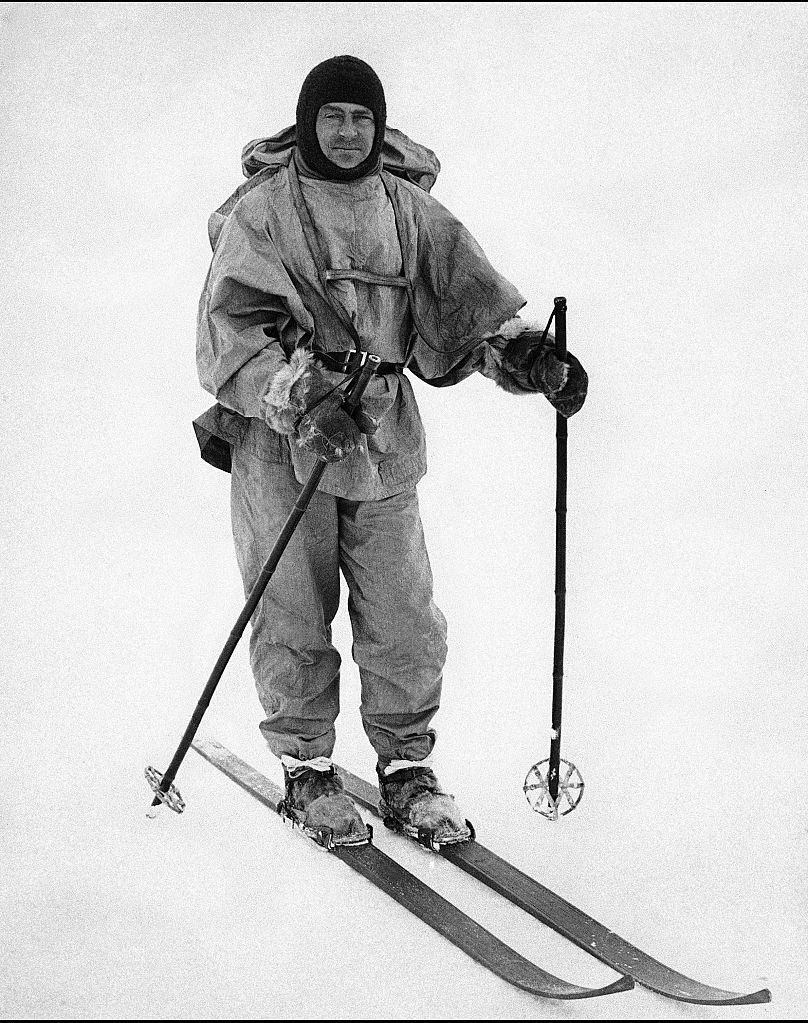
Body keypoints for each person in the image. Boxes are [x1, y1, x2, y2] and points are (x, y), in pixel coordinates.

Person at [194, 55, 587, 848]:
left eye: (361, 118)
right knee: (292, 606)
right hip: (283, 443)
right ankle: (308, 767)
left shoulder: (409, 211)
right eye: (333, 116)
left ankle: (406, 768)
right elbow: (230, 331)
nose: (347, 133)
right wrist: (302, 398)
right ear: (308, 122)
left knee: (403, 611)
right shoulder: (264, 212)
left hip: (380, 434)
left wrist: (531, 358)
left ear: (378, 127)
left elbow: (469, 310)